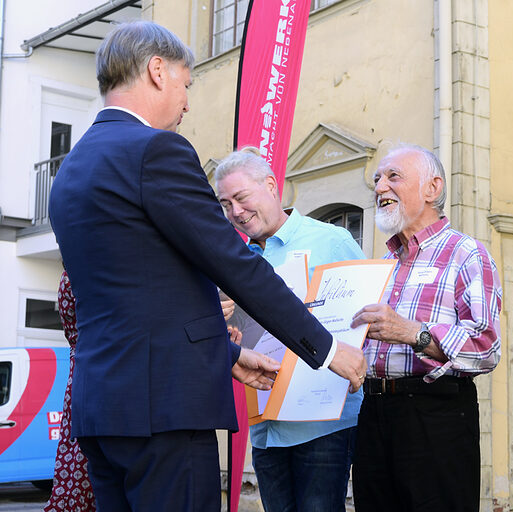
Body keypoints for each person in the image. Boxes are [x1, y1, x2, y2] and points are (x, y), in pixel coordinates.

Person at [48, 21, 366, 512]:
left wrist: (230, 357)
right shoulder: (156, 150)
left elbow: (137, 299)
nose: (187, 102)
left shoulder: (70, 169)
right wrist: (325, 349)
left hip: (100, 411)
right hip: (165, 415)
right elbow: (237, 265)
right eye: (185, 82)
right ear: (157, 70)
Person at [349, 144, 502, 512]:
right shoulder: (381, 265)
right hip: (372, 411)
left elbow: (485, 348)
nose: (380, 187)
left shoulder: (466, 253)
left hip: (435, 416)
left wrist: (413, 333)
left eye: (393, 176)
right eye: (377, 179)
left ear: (432, 189)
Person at [214, 147, 365, 512]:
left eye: (241, 197)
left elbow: (363, 321)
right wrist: (222, 325)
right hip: (266, 425)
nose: (235, 211)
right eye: (224, 203)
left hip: (324, 422)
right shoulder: (233, 263)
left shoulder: (332, 241)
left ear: (270, 185)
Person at [44, 270, 96, 512]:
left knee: (77, 455)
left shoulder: (70, 275)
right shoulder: (80, 275)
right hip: (95, 369)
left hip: (80, 374)